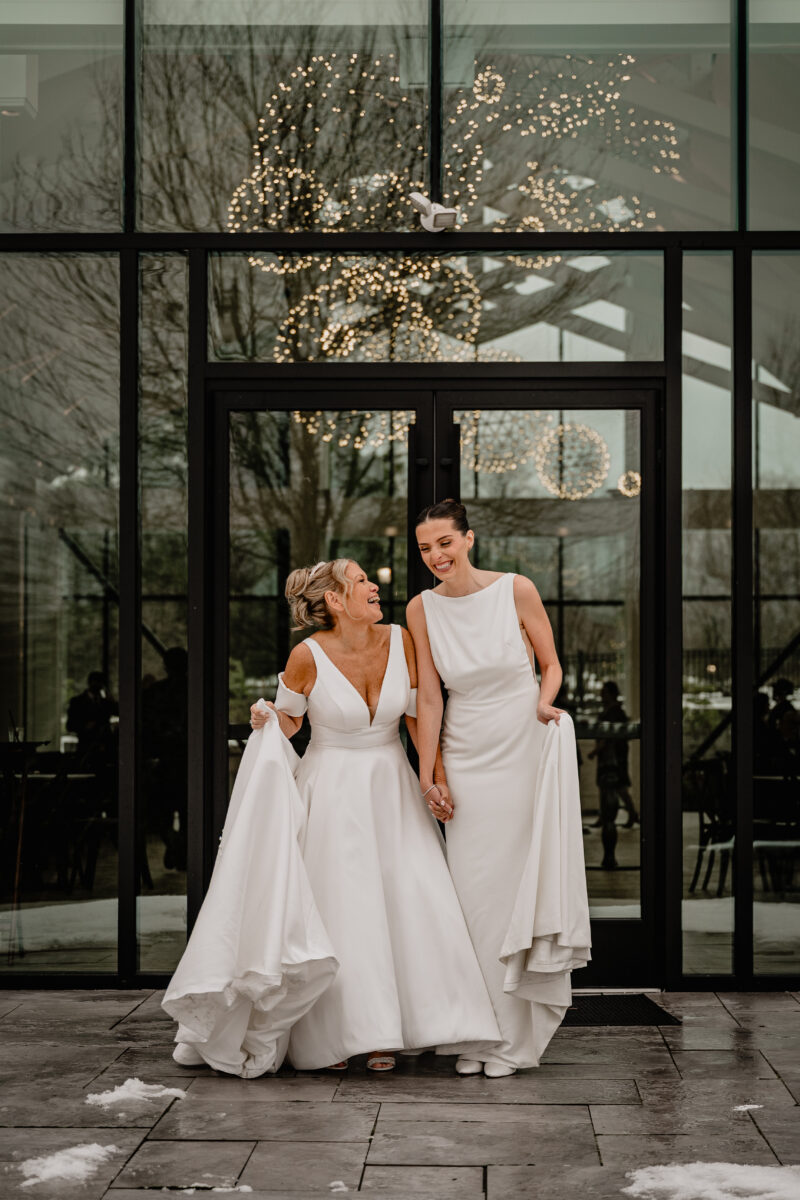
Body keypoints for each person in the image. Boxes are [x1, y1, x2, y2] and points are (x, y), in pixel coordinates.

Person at [163, 558, 500, 1076]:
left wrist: (431, 775)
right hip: (331, 790)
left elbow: (415, 715)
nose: (374, 585)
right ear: (336, 601)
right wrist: (266, 717)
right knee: (346, 909)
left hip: (391, 787)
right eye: (362, 580)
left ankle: (401, 1029)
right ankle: (342, 1034)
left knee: (411, 898)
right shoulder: (306, 654)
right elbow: (292, 719)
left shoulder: (400, 639)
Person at [408, 500, 590, 1078]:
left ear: (468, 540)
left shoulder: (517, 589)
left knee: (514, 887)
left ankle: (513, 1039)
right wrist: (428, 770)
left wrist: (543, 702)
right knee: (470, 896)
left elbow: (552, 664)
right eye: (425, 548)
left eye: (444, 543)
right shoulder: (420, 609)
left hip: (519, 745)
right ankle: (475, 1030)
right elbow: (430, 697)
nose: (436, 556)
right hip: (464, 754)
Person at [587, 680, 638, 870]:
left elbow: (609, 736)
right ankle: (625, 814)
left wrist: (596, 751)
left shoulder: (614, 712)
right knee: (618, 788)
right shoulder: (613, 711)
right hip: (613, 758)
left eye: (604, 692)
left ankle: (627, 814)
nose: (601, 695)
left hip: (612, 758)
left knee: (616, 788)